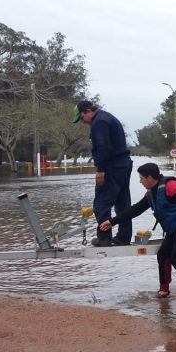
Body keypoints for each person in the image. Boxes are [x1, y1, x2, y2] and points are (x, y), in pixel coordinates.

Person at [99, 163, 176, 301]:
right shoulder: (151, 193)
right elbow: (136, 209)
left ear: (150, 177)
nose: (140, 181)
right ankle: (164, 289)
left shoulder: (172, 186)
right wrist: (112, 221)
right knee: (162, 255)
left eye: (141, 178)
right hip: (174, 229)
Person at [73, 100, 133, 247]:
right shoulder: (108, 117)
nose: (82, 122)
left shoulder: (99, 122)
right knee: (123, 204)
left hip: (112, 167)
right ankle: (123, 237)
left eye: (81, 118)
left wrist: (100, 170)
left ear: (88, 111)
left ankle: (104, 237)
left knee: (101, 204)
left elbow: (103, 146)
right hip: (124, 164)